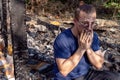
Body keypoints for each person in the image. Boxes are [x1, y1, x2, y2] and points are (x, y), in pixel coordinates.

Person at [53, 4, 120, 80]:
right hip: (67, 78)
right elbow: (64, 71)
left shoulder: (93, 36)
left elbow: (98, 64)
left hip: (86, 74)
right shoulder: (63, 39)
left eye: (92, 23)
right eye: (85, 23)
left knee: (116, 77)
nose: (89, 28)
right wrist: (81, 49)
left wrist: (88, 48)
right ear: (75, 21)